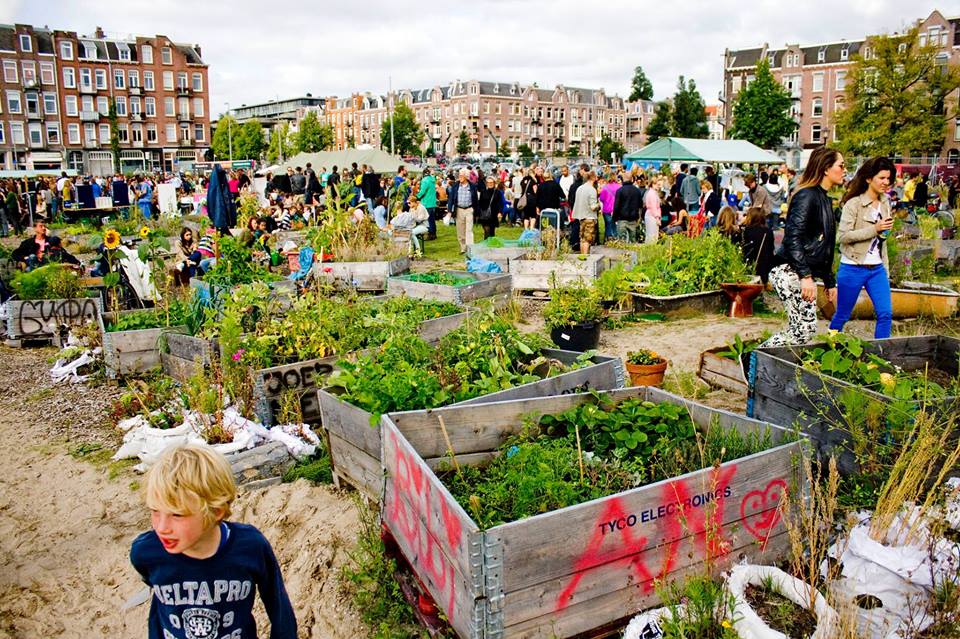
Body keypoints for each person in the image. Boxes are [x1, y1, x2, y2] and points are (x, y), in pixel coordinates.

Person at [130, 444, 297, 639]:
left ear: (216, 511)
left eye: (177, 514)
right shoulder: (146, 552)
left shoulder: (250, 547)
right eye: (155, 511)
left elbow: (277, 603)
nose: (161, 528)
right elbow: (156, 597)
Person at [761, 146, 844, 348]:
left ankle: (764, 363)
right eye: (841, 166)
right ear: (826, 168)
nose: (845, 170)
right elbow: (793, 237)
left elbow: (823, 246)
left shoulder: (823, 198)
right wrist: (806, 277)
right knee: (802, 330)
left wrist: (829, 281)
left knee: (804, 330)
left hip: (800, 272)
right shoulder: (807, 196)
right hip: (789, 271)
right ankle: (755, 359)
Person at [829, 156, 896, 339]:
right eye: (881, 178)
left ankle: (880, 357)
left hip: (877, 268)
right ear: (868, 179)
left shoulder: (885, 203)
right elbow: (842, 237)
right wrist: (874, 229)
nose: (886, 182)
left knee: (885, 314)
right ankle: (828, 349)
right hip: (853, 267)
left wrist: (886, 270)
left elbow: (883, 241)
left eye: (888, 178)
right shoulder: (854, 204)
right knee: (842, 315)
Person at [740, 207, 775, 284]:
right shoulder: (768, 231)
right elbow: (771, 250)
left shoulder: (746, 230)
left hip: (749, 263)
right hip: (764, 265)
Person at [448, 168, 478, 253]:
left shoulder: (472, 186)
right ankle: (463, 247)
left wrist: (476, 211)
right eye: (459, 175)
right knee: (460, 230)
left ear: (466, 177)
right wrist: (450, 210)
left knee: (469, 230)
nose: (459, 177)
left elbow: (475, 199)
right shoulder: (455, 185)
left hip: (469, 209)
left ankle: (470, 248)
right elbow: (451, 198)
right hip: (459, 210)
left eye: (461, 175)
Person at [572, 170, 600, 254]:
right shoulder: (592, 190)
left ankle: (582, 256)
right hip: (589, 217)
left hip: (581, 216)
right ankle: (586, 257)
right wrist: (599, 204)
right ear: (594, 178)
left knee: (582, 239)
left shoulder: (580, 188)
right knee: (588, 239)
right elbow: (593, 207)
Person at [612, 173, 642, 242]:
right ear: (631, 179)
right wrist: (639, 217)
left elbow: (616, 206)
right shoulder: (637, 191)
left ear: (623, 179)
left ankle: (623, 253)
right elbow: (640, 206)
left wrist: (614, 218)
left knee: (622, 241)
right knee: (633, 240)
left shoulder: (620, 191)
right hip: (633, 219)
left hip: (622, 219)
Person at [477, 176, 504, 240]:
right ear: (486, 183)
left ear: (494, 183)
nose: (490, 184)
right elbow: (480, 202)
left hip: (493, 215)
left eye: (491, 182)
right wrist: (478, 212)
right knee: (487, 231)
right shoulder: (483, 191)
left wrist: (500, 212)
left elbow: (501, 203)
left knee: (492, 232)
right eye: (488, 182)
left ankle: (491, 246)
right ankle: (486, 246)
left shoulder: (498, 192)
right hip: (484, 215)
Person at [598, 174, 621, 244]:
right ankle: (616, 239)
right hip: (617, 209)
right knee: (615, 225)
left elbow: (601, 199)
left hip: (607, 209)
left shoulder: (605, 187)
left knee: (608, 225)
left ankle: (608, 240)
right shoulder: (619, 187)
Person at [416, 168, 437, 240]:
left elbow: (422, 191)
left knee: (426, 220)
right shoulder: (432, 179)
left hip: (426, 202)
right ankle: (433, 234)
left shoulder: (425, 180)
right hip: (432, 202)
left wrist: (417, 196)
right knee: (432, 219)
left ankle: (430, 234)